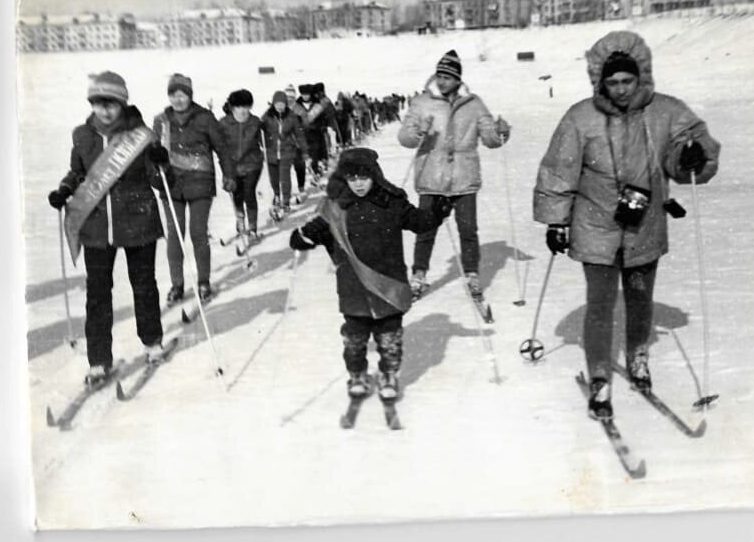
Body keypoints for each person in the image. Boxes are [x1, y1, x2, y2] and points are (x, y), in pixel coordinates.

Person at [533, 31, 721, 421]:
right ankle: (600, 376)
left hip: (643, 226)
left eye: (627, 81)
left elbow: (688, 150)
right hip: (594, 223)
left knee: (638, 300)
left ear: (641, 78)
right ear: (600, 82)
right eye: (612, 82)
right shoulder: (580, 117)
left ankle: (638, 357)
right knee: (600, 305)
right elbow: (558, 168)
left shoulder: (666, 112)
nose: (620, 89)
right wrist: (556, 219)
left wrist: (692, 156)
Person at [288, 148, 452, 400]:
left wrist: (437, 213)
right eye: (352, 179)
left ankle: (388, 374)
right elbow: (312, 232)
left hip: (389, 283)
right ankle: (357, 374)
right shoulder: (335, 209)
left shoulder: (391, 201)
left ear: (374, 175)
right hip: (353, 287)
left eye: (364, 177)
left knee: (390, 337)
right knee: (354, 338)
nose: (359, 184)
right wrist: (301, 237)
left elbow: (419, 222)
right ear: (345, 179)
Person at [47, 71, 174, 386]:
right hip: (96, 227)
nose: (104, 110)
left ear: (122, 104)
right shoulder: (82, 136)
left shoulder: (142, 136)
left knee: (143, 285)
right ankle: (99, 361)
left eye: (111, 104)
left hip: (139, 219)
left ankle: (152, 343)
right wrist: (64, 190)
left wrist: (162, 162)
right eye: (98, 103)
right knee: (98, 294)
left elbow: (163, 184)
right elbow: (77, 173)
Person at [397, 49, 511, 302]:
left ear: (458, 79)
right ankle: (419, 275)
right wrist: (419, 133)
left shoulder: (474, 103)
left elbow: (490, 138)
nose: (442, 81)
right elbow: (404, 138)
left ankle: (471, 274)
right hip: (431, 176)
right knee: (425, 230)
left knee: (468, 230)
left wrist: (500, 132)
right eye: (439, 75)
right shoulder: (422, 102)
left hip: (463, 177)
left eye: (447, 77)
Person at [153, 73, 235, 305]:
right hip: (171, 185)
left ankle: (203, 281)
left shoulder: (205, 118)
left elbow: (222, 148)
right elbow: (152, 152)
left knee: (198, 232)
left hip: (200, 182)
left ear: (190, 95)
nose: (178, 100)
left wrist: (228, 174)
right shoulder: (161, 121)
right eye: (173, 95)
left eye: (182, 95)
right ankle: (177, 285)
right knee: (175, 235)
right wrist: (155, 171)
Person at [219, 89, 263, 242]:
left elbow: (265, 141)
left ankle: (252, 228)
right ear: (232, 108)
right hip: (233, 167)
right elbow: (219, 145)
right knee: (237, 195)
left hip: (253, 164)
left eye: (246, 107)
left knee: (249, 193)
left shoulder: (256, 122)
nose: (243, 111)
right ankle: (240, 224)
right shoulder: (224, 123)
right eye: (239, 107)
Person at [261, 90, 308, 218]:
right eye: (277, 104)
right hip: (271, 152)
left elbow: (299, 134)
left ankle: (286, 201)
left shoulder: (291, 116)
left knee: (284, 178)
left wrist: (304, 151)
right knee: (274, 178)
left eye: (282, 104)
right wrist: (263, 142)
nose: (280, 106)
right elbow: (260, 132)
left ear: (286, 104)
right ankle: (276, 196)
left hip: (287, 151)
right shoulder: (266, 117)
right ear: (273, 104)